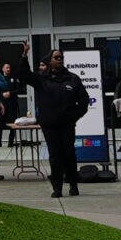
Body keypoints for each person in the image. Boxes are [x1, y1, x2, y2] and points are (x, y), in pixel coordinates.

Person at [32, 47, 91, 199]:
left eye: (61, 58)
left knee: (69, 154)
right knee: (55, 156)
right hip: (50, 125)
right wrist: (24, 55)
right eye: (56, 57)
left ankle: (73, 184)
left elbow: (84, 101)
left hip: (67, 124)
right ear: (50, 61)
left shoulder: (72, 78)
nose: (59, 60)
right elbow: (24, 75)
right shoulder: (42, 78)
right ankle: (57, 188)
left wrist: (74, 116)